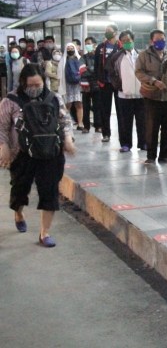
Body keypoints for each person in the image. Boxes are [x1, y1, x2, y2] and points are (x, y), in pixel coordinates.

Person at [0, 63, 76, 247]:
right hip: (22, 154)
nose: (35, 88)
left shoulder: (54, 98)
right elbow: (2, 127)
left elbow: (64, 120)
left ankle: (45, 233)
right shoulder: (10, 100)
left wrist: (68, 139)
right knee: (19, 189)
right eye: (31, 85)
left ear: (44, 81)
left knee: (49, 191)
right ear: (23, 83)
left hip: (51, 153)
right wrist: (4, 147)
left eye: (38, 84)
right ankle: (18, 212)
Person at [135, 29, 167, 164]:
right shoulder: (143, 56)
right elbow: (138, 72)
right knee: (152, 127)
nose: (161, 42)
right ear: (151, 41)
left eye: (163, 40)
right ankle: (151, 156)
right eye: (158, 40)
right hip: (151, 97)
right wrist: (153, 81)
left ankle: (164, 155)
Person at [109, 30, 146, 153]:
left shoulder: (141, 55)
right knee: (125, 121)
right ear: (120, 42)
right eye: (123, 41)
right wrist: (120, 86)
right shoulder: (116, 57)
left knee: (142, 120)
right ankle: (125, 144)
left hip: (141, 95)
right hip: (124, 95)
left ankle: (143, 142)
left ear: (133, 40)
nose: (126, 43)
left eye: (128, 41)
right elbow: (111, 74)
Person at [95, 24, 121, 143]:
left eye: (109, 31)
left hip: (118, 83)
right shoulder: (101, 47)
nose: (106, 33)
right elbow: (96, 64)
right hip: (104, 83)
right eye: (105, 31)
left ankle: (123, 135)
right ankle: (106, 134)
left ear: (115, 32)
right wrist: (98, 79)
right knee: (105, 110)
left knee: (121, 110)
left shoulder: (121, 46)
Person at [60, 42, 84, 131]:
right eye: (68, 48)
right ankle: (67, 122)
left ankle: (80, 123)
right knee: (68, 105)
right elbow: (60, 73)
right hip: (67, 84)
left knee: (79, 104)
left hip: (78, 84)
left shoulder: (80, 59)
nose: (70, 50)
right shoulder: (63, 61)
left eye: (72, 48)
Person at [79, 37, 100, 133]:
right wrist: (93, 69)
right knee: (86, 106)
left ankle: (98, 126)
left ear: (95, 44)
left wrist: (89, 68)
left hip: (97, 84)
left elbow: (100, 70)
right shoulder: (83, 57)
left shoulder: (99, 56)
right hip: (85, 85)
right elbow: (82, 71)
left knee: (97, 106)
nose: (88, 46)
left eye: (89, 43)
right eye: (86, 44)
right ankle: (86, 126)